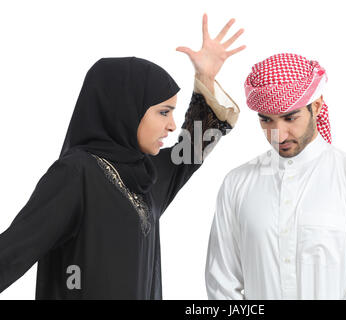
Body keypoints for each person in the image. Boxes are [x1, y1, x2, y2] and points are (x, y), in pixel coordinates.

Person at [0, 14, 245, 299]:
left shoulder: (145, 175)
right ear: (126, 109)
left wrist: (205, 78)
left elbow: (190, 151)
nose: (171, 125)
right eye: (163, 112)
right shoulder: (76, 175)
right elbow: (12, 254)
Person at [205, 53, 346, 300]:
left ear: (316, 106)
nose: (279, 134)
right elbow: (221, 282)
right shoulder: (237, 184)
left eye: (290, 118)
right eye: (266, 120)